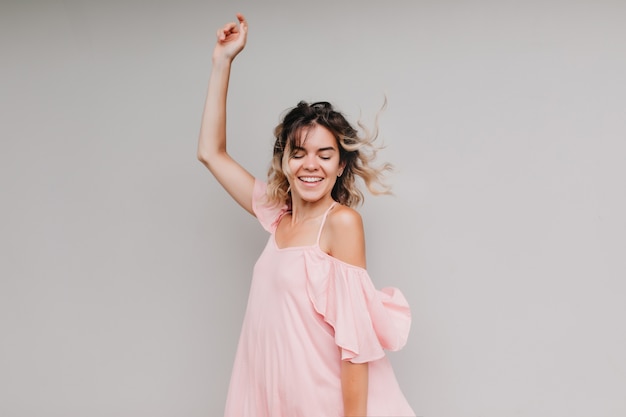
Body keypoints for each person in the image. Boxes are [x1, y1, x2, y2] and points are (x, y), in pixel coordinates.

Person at [197, 13, 416, 417]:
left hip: (324, 404)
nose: (310, 164)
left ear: (340, 166)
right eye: (298, 153)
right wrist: (222, 62)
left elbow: (355, 346)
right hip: (276, 400)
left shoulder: (341, 224)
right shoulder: (277, 217)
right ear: (284, 162)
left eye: (324, 154)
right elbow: (211, 153)